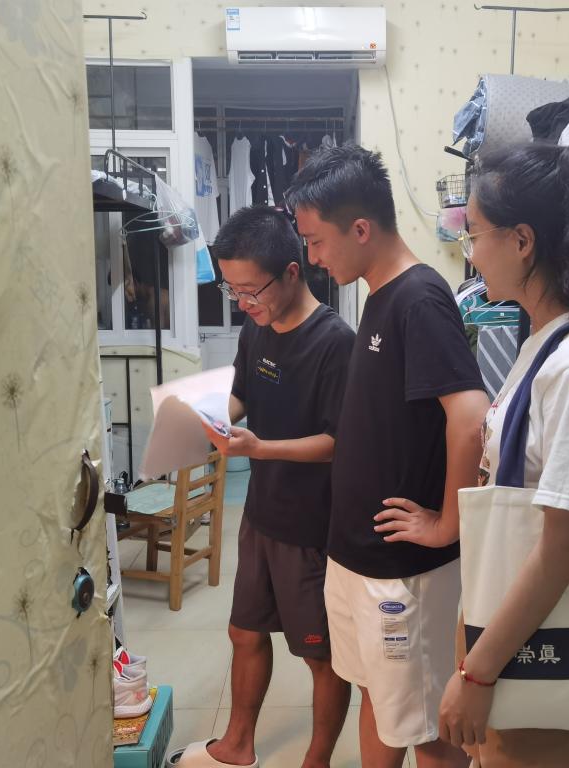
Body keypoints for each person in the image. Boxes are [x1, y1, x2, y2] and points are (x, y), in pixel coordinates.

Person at [376, 129, 569, 767]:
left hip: (555, 661)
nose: (471, 253)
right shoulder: (545, 342)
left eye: (474, 234)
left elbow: (565, 546)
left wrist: (476, 674)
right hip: (521, 647)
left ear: (522, 240)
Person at [286, 146, 490, 768]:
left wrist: (448, 523)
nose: (313, 258)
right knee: (378, 696)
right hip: (357, 556)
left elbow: (470, 415)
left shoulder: (420, 298)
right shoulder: (379, 294)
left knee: (428, 727)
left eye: (316, 242)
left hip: (403, 570)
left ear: (360, 229)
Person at [179, 205, 355, 768]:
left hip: (310, 527)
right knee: (244, 632)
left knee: (320, 656)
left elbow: (337, 442)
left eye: (250, 290)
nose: (242, 303)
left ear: (292, 272)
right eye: (232, 290)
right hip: (261, 516)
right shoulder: (257, 328)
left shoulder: (335, 342)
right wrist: (205, 418)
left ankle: (317, 760)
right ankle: (237, 745)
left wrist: (259, 448)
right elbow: (242, 396)